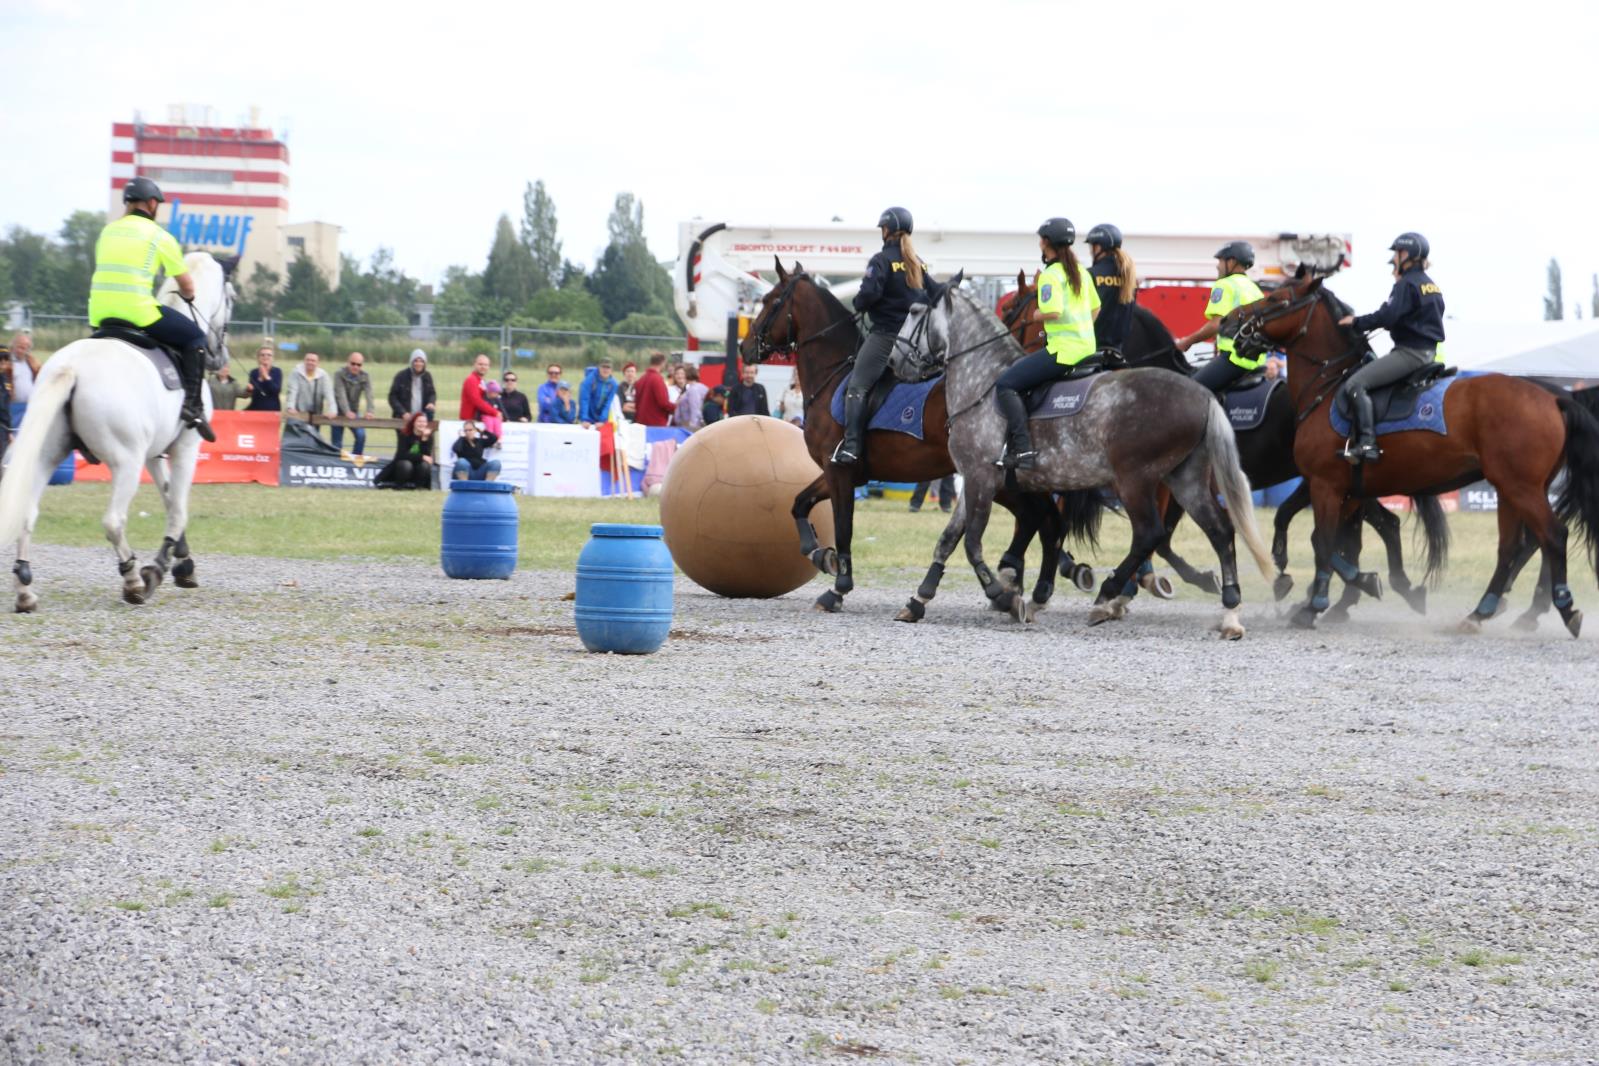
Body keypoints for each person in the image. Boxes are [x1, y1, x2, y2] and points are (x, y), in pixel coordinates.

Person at [87, 176, 215, 440]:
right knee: (195, 338)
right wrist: (189, 296)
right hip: (138, 312)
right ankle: (193, 406)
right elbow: (187, 284)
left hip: (98, 314)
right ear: (152, 203)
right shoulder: (159, 235)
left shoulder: (107, 231)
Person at [992, 218, 1101, 469]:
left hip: (1062, 351)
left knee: (1006, 384)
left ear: (1046, 243)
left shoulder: (1051, 275)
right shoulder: (1081, 272)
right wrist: (1080, 327)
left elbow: (1052, 311)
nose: (1039, 244)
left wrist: (1034, 315)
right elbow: (1096, 308)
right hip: (1087, 348)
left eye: (1040, 240)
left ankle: (1022, 450)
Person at [1335, 232, 1447, 463]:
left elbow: (1388, 315)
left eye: (1397, 254)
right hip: (1427, 352)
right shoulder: (1431, 286)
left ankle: (1367, 443)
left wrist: (1356, 323)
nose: (1395, 259)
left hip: (1410, 353)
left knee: (1356, 383)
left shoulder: (1407, 284)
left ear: (1407, 254)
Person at [835, 206, 931, 465]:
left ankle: (852, 446)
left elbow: (868, 295)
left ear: (886, 230)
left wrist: (860, 303)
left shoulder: (881, 260)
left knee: (857, 387)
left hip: (887, 337)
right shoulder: (918, 262)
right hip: (916, 342)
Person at [1174, 241, 1266, 393]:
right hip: (1256, 361)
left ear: (1232, 262)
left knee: (1187, 391)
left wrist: (1187, 341)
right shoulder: (1254, 289)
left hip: (1233, 358)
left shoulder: (1225, 285)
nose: (1218, 266)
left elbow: (1216, 325)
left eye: (1221, 261)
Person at [1084, 224, 1138, 354]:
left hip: (1091, 351)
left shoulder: (1090, 274)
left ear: (1098, 247)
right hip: (1118, 352)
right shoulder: (1129, 278)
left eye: (1092, 246)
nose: (1090, 251)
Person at [376, 411, 436, 489]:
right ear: (413, 423)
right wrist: (422, 457)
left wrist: (424, 439)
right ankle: (400, 486)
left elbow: (427, 456)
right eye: (419, 421)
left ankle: (419, 487)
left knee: (424, 465)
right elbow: (401, 455)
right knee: (406, 464)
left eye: (424, 422)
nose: (422, 424)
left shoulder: (428, 436)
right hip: (402, 465)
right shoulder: (404, 434)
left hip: (418, 466)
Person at [331, 351, 375, 455]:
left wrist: (370, 411)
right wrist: (346, 411)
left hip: (354, 411)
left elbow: (369, 394)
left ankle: (355, 461)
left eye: (358, 365)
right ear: (348, 363)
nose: (355, 367)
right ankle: (337, 464)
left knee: (361, 436)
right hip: (338, 411)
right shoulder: (339, 374)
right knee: (337, 444)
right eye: (353, 363)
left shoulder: (365, 376)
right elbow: (340, 394)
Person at [284, 351, 336, 428]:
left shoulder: (323, 376)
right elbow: (292, 391)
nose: (310, 362)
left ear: (318, 363)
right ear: (304, 361)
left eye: (313, 361)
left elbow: (329, 394)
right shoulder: (296, 373)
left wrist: (333, 410)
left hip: (315, 414)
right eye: (308, 360)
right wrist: (290, 407)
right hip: (298, 413)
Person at [388, 349, 437, 418]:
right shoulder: (401, 376)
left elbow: (432, 393)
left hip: (422, 418)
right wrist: (403, 412)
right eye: (416, 361)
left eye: (421, 361)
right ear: (411, 362)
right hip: (404, 417)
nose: (418, 364)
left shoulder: (427, 376)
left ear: (425, 363)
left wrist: (431, 402)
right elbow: (392, 397)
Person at [634, 352, 675, 427]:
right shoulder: (657, 379)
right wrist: (677, 408)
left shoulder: (641, 378)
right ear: (662, 363)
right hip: (655, 423)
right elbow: (663, 403)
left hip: (641, 422)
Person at [459, 353, 499, 423]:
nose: (483, 367)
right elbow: (477, 400)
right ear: (474, 365)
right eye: (480, 364)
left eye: (486, 365)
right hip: (470, 421)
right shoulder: (471, 380)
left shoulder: (481, 381)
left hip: (479, 419)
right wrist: (495, 412)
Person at [579, 360, 620, 427]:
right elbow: (584, 400)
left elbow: (608, 403)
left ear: (611, 370)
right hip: (587, 415)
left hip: (600, 417)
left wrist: (602, 420)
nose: (605, 370)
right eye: (603, 367)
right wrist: (584, 419)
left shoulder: (614, 384)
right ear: (599, 368)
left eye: (608, 368)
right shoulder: (589, 380)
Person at [246, 346, 283, 412]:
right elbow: (255, 394)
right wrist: (260, 379)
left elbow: (276, 391)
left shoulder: (277, 371)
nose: (265, 357)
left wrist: (266, 377)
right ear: (258, 358)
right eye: (262, 355)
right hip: (256, 407)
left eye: (269, 355)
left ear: (272, 358)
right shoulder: (254, 372)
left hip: (272, 409)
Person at [6, 332, 39, 404]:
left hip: (29, 405)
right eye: (19, 347)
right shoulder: (6, 362)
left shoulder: (32, 364)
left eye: (25, 348)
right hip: (11, 406)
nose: (21, 350)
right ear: (13, 346)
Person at [674, 365, 708, 430]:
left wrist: (692, 427)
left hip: (690, 425)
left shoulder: (693, 389)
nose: (681, 376)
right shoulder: (697, 387)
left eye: (683, 373)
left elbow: (694, 408)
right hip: (688, 424)